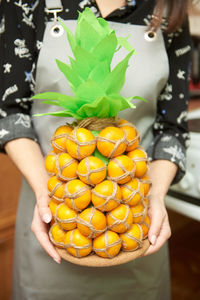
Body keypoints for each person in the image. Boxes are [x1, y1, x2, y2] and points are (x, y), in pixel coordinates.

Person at [0, 0, 192, 299]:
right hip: (52, 213)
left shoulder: (168, 7)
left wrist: (153, 196)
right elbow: (10, 113)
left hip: (136, 220)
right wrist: (46, 195)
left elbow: (173, 128)